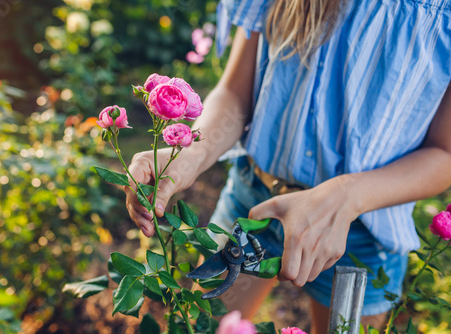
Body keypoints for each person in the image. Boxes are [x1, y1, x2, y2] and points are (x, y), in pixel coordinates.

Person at [125, 0, 451, 332]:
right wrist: (192, 153)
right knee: (205, 327)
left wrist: (347, 196)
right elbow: (237, 92)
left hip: (362, 230)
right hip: (254, 202)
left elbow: (445, 153)